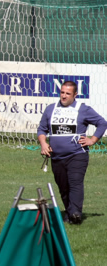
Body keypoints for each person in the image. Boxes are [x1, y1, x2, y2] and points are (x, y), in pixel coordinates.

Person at [37, 81, 107, 225]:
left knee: (75, 182)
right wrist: (44, 144)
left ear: (75, 95)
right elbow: (42, 129)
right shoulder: (51, 109)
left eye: (68, 93)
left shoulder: (83, 109)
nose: (64, 96)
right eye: (62, 92)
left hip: (77, 154)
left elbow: (102, 123)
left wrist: (92, 140)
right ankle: (69, 213)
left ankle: (75, 214)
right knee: (63, 186)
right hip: (56, 156)